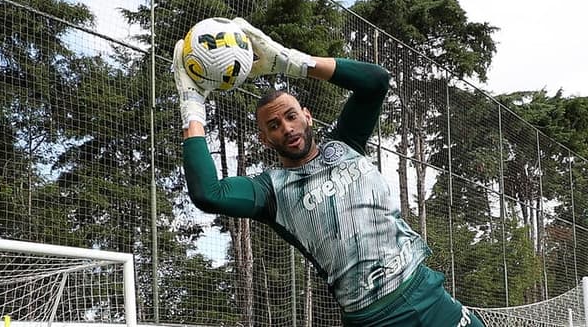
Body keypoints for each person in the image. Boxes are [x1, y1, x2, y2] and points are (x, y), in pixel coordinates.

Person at [174, 17, 485, 327]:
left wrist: (289, 60)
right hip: (372, 318)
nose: (287, 128)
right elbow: (208, 193)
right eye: (274, 125)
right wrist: (192, 105)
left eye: (291, 116)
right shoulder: (270, 190)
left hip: (429, 295)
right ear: (264, 139)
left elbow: (376, 81)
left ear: (307, 117)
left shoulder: (346, 142)